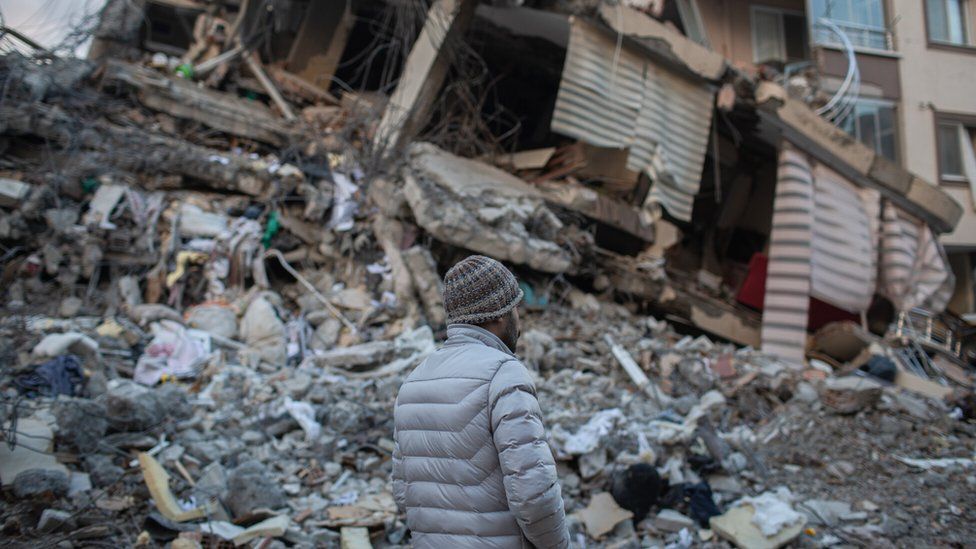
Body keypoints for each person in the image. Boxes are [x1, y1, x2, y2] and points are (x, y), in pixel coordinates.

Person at [392, 255, 570, 548]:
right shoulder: (504, 374)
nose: (519, 321)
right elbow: (534, 496)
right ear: (500, 314)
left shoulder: (414, 381)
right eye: (516, 308)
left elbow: (403, 492)